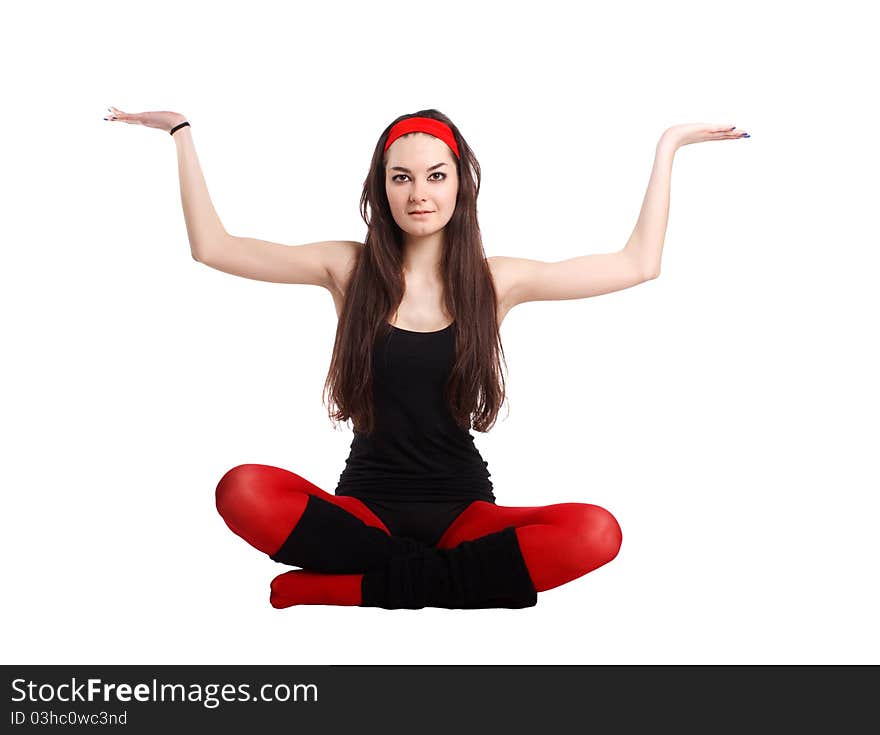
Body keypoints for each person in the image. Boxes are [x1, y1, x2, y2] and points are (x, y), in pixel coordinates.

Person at [105, 106, 749, 609]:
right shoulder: (347, 269)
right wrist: (181, 133)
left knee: (597, 531)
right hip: (361, 513)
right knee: (242, 488)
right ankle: (445, 585)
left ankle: (356, 587)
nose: (419, 192)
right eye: (402, 177)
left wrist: (669, 146)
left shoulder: (497, 281)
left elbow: (638, 264)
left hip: (462, 512)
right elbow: (214, 247)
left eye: (435, 176)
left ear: (460, 185)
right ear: (381, 188)